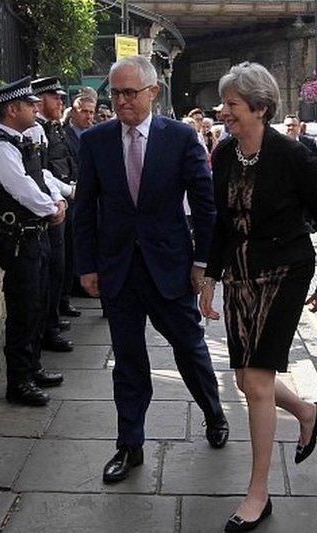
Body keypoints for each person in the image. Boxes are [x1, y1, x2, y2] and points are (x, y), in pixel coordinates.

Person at [74, 55, 229, 484]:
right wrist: (86, 266)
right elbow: (84, 210)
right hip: (118, 271)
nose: (120, 101)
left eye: (129, 93)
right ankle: (130, 445)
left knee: (190, 350)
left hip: (171, 269)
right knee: (127, 362)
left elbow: (205, 205)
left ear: (153, 92)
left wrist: (203, 263)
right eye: (115, 93)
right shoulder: (96, 141)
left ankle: (214, 413)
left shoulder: (181, 138)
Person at [199, 61, 317, 532]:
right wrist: (210, 278)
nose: (224, 112)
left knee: (256, 383)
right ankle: (306, 411)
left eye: (232, 105)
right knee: (244, 380)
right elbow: (220, 222)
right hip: (239, 273)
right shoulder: (222, 154)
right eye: (225, 104)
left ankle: (258, 493)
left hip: (285, 271)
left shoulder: (293, 155)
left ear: (259, 107)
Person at [0, 77, 67, 406]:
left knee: (40, 303)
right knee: (23, 310)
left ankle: (32, 368)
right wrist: (52, 209)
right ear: (13, 109)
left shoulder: (23, 141)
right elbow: (23, 189)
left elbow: (40, 177)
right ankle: (18, 382)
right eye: (30, 104)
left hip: (35, 236)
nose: (36, 108)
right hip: (18, 241)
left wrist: (58, 200)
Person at [29, 77, 78, 354]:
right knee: (50, 270)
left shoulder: (52, 129)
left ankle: (54, 318)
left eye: (61, 97)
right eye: (54, 97)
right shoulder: (36, 131)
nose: (60, 101)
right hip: (48, 208)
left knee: (60, 264)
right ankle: (49, 327)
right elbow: (40, 174)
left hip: (59, 201)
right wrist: (56, 201)